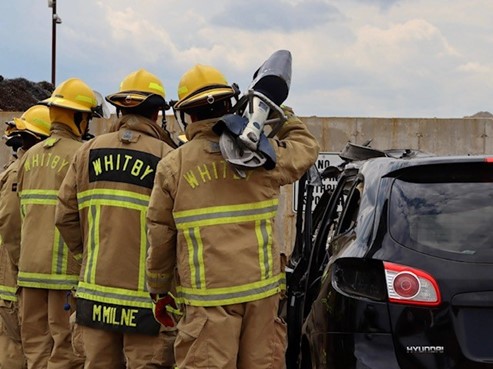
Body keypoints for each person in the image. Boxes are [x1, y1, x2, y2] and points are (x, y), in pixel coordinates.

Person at [145, 64, 320, 369]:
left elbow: (160, 235)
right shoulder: (263, 156)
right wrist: (277, 110)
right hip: (261, 299)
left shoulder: (174, 166)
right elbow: (306, 148)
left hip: (207, 305)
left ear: (188, 115)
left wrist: (160, 291)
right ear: (231, 103)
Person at [55, 69, 176, 369]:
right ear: (157, 114)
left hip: (96, 298)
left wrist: (90, 255)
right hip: (146, 302)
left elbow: (64, 215)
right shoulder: (168, 158)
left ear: (121, 109)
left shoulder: (87, 153)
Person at [16, 78, 98, 369]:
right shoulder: (81, 155)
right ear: (78, 117)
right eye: (87, 117)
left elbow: (16, 217)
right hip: (65, 275)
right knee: (66, 351)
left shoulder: (28, 158)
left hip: (28, 272)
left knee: (35, 350)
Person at [0, 105, 51, 369]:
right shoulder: (18, 174)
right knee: (14, 353)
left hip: (19, 280)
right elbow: (10, 224)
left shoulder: (27, 171)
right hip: (13, 283)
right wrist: (25, 263)